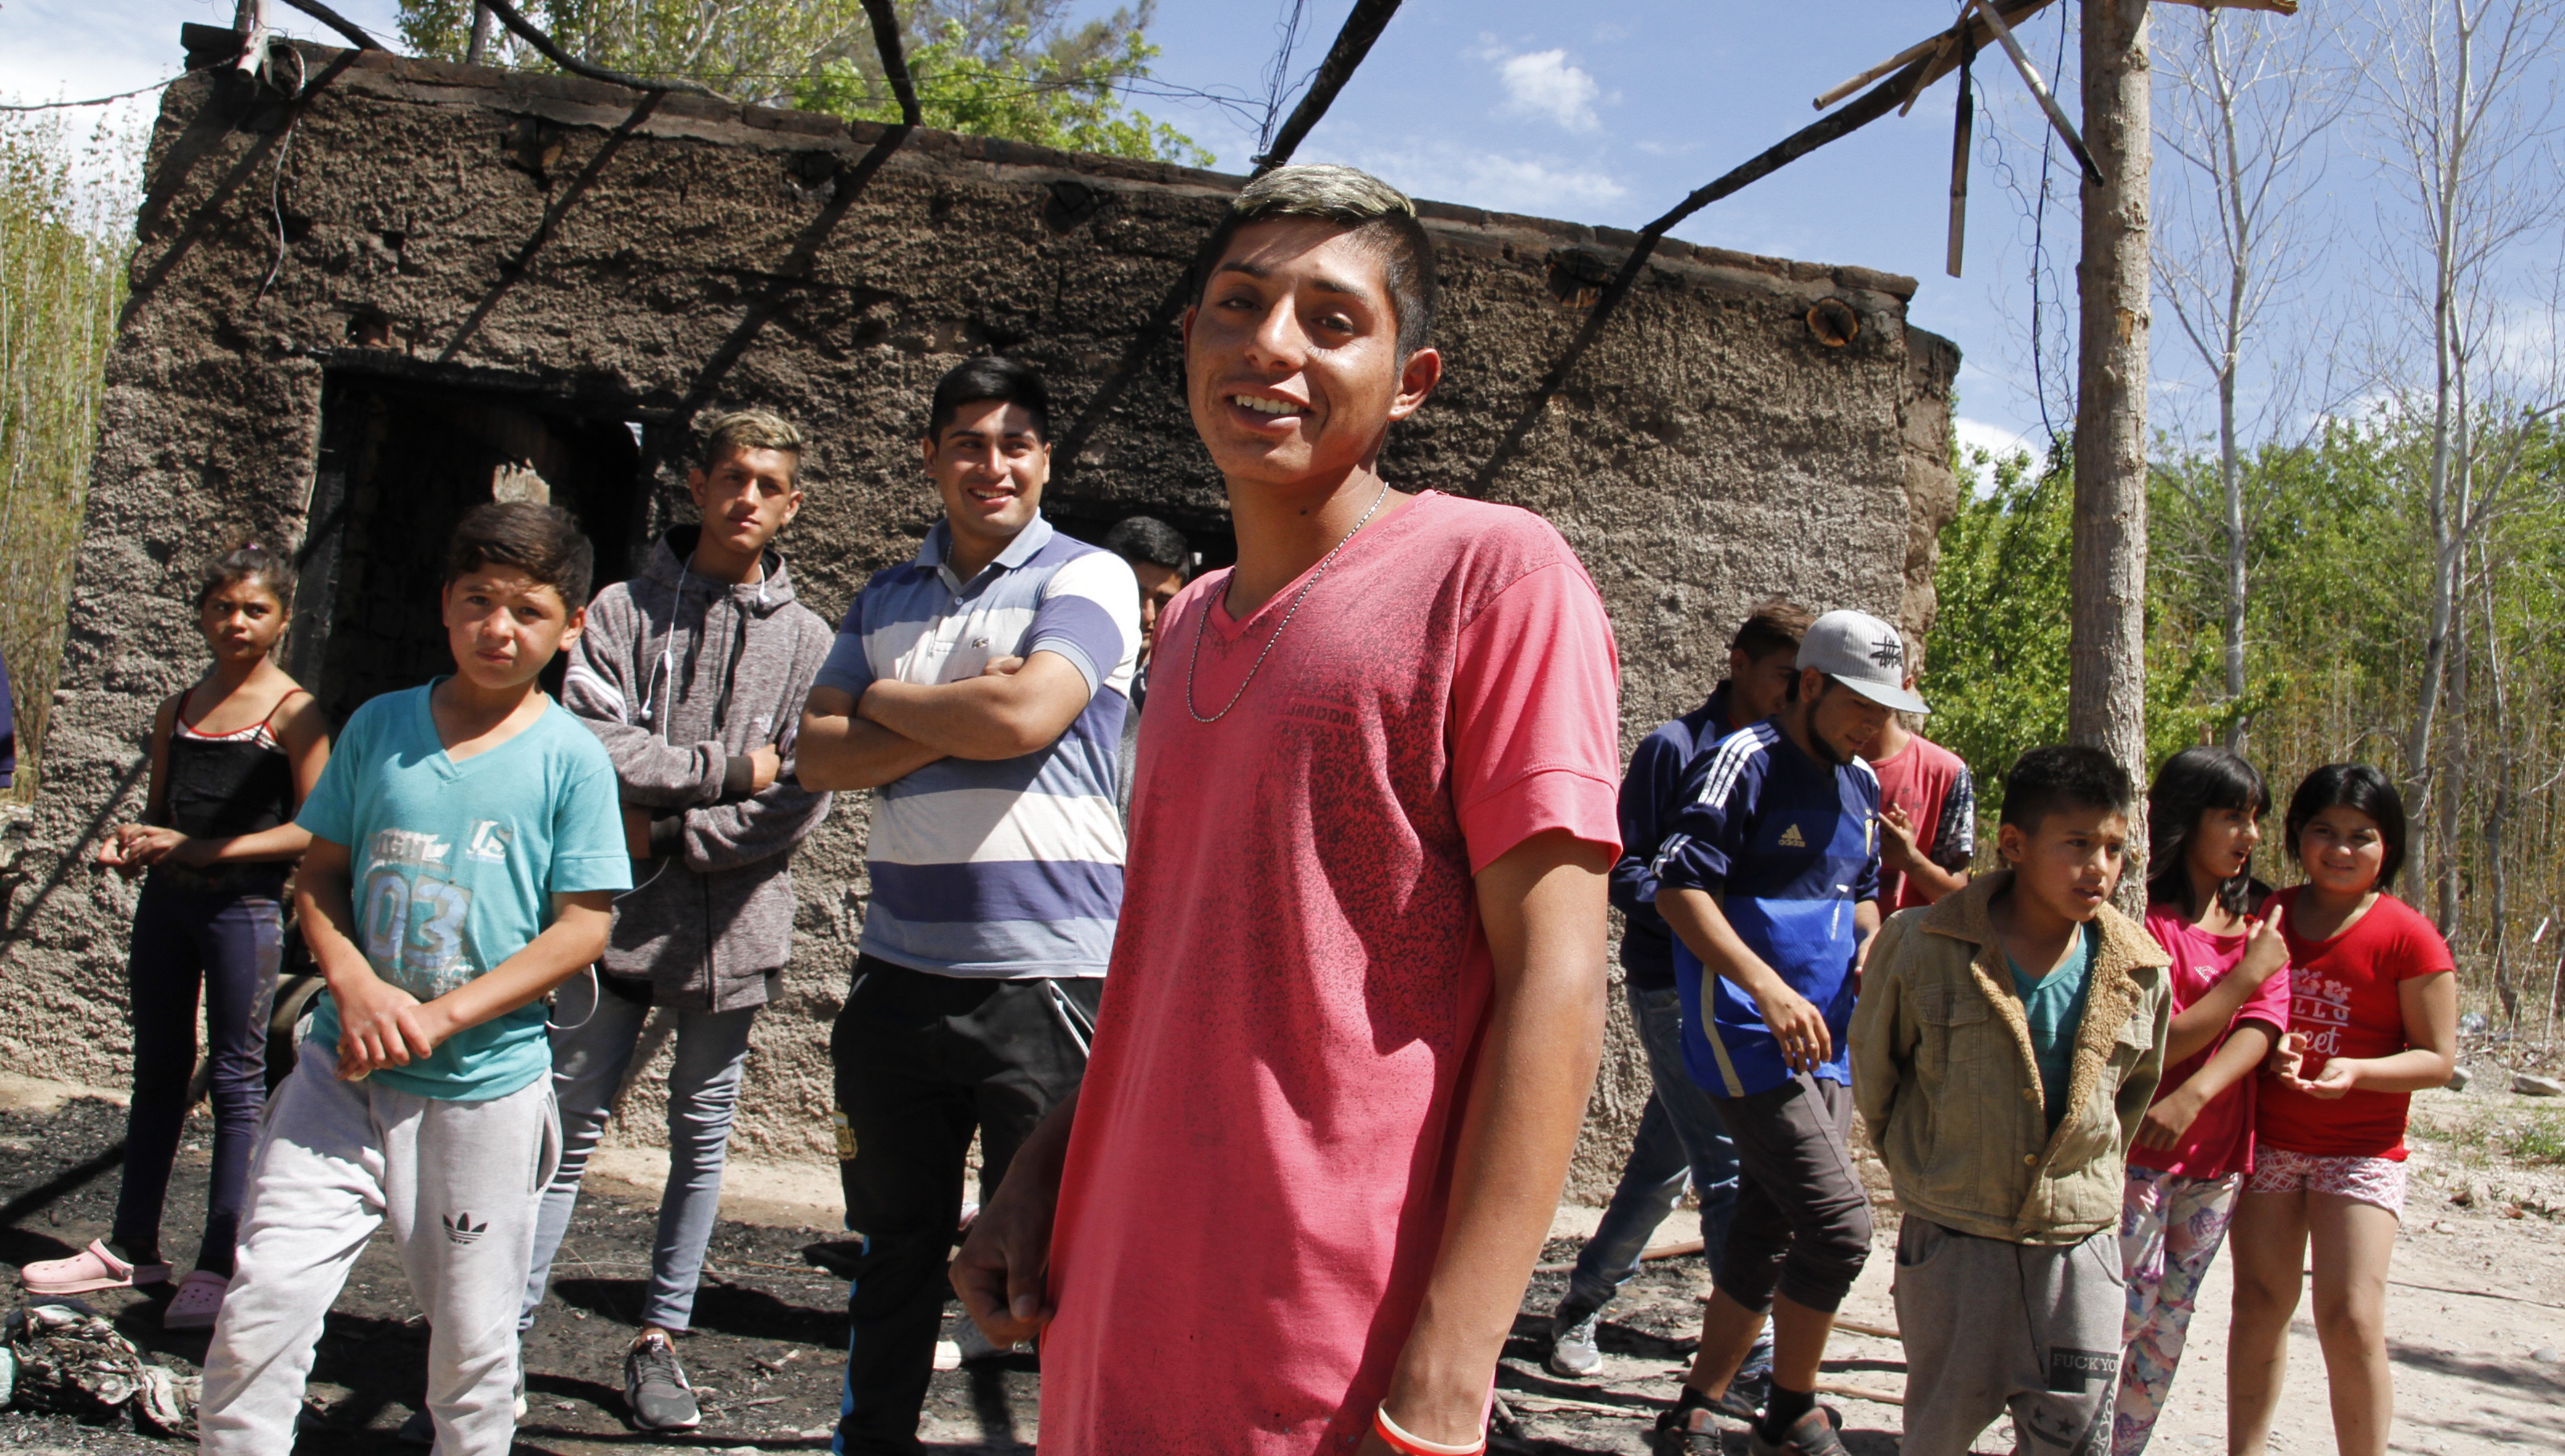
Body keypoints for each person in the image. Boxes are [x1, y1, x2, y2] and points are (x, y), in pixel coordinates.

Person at [950, 164, 1623, 1456]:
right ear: (1188, 341)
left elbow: (1557, 977)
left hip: (1326, 1331)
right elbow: (1173, 962)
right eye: (1237, 303)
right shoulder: (1187, 622)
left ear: (1408, 381)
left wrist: (1449, 1368)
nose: (1268, 344)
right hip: (1116, 1287)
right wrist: (1048, 1165)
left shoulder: (1491, 579)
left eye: (1330, 319)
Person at [194, 503, 629, 1456]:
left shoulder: (572, 761)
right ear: (445, 602)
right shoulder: (381, 725)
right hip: (340, 1072)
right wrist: (352, 983)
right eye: (478, 601)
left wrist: (441, 1016)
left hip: (482, 1091)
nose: (498, 629)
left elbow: (583, 928)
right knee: (263, 1302)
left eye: (527, 610)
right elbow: (320, 872)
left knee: (471, 1342)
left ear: (572, 625)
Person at [795, 356, 1139, 1455]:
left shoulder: (1088, 578)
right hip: (898, 974)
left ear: (1045, 460)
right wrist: (967, 704)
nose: (991, 465)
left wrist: (886, 700)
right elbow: (816, 754)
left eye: (1014, 444)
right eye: (966, 444)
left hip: (1050, 974)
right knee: (892, 1249)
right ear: (930, 458)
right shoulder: (882, 596)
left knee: (1059, 1259)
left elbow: (1025, 717)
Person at [521, 410, 835, 1430]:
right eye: (732, 476)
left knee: (701, 1138)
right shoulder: (622, 610)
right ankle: (501, 1332)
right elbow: (591, 742)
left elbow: (801, 792)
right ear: (697, 486)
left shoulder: (811, 641)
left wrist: (659, 831)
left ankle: (659, 1336)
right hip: (608, 919)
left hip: (735, 927)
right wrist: (724, 772)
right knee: (565, 1130)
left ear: (791, 505)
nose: (747, 498)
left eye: (768, 485)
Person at [25, 544, 329, 1332]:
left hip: (242, 912)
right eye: (223, 607)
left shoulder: (293, 713)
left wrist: (204, 850)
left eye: (255, 609)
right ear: (202, 614)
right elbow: (161, 812)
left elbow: (315, 828)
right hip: (168, 907)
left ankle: (220, 1261)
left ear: (283, 620)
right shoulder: (179, 708)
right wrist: (131, 844)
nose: (237, 622)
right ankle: (132, 1245)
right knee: (158, 1069)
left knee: (235, 1078)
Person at [1850, 745, 2172, 1456]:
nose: (2098, 867)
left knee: (2075, 1438)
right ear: (2014, 844)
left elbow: (2130, 1098)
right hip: (1956, 1244)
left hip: (2077, 1251)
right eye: (2076, 844)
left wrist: (2083, 1187)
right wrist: (1933, 1175)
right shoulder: (1924, 944)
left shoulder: (2140, 968)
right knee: (1937, 1433)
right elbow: (1877, 1078)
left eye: (2113, 848)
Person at [1649, 608, 1911, 1456]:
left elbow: (1860, 891)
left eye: (1886, 710)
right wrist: (1763, 987)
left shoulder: (1861, 784)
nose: (1874, 726)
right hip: (1744, 1028)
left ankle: (1694, 1405)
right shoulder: (1742, 760)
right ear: (1810, 685)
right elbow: (1675, 887)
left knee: (1770, 1224)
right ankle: (1790, 1410)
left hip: (1825, 1036)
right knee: (1840, 1225)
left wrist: (1871, 943)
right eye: (1860, 706)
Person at [1542, 598, 1814, 1385]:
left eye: (1804, 681)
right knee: (1728, 1167)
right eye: (1783, 675)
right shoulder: (1675, 748)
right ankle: (1752, 1360)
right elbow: (1620, 865)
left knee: (1665, 1164)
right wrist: (1695, 915)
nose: (1792, 693)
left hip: (1747, 993)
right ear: (1738, 663)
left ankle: (1582, 1302)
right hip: (1672, 985)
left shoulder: (1784, 758)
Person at [2226, 765, 2455, 1456]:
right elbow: (2237, 1009)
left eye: (2362, 835)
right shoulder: (2266, 916)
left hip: (2361, 1150)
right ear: (2297, 835)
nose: (2341, 849)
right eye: (2324, 831)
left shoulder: (2409, 936)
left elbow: (2436, 1059)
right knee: (2258, 1304)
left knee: (2350, 1317)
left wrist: (2356, 1071)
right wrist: (2267, 1051)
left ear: (2388, 846)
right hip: (2268, 1141)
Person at [2111, 748, 2293, 1455]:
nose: (2249, 836)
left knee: (2168, 1324)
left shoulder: (2257, 921)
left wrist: (2196, 1095)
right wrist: (2243, 977)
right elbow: (2156, 1038)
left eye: (2254, 819)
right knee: (2119, 1309)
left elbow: (2263, 1025)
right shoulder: (2142, 919)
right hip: (2136, 1153)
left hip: (2217, 1163)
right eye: (2231, 817)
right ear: (2185, 819)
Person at [1867, 633, 1974, 911]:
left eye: (1879, 689)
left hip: (1906, 937)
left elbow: (1960, 897)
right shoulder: (1816, 761)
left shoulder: (1945, 772)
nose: (1867, 700)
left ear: (1905, 687)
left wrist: (1910, 859)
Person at [1101, 516, 1189, 823]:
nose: (1147, 614)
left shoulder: (1193, 688)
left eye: (1163, 600)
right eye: (1136, 594)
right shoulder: (1059, 669)